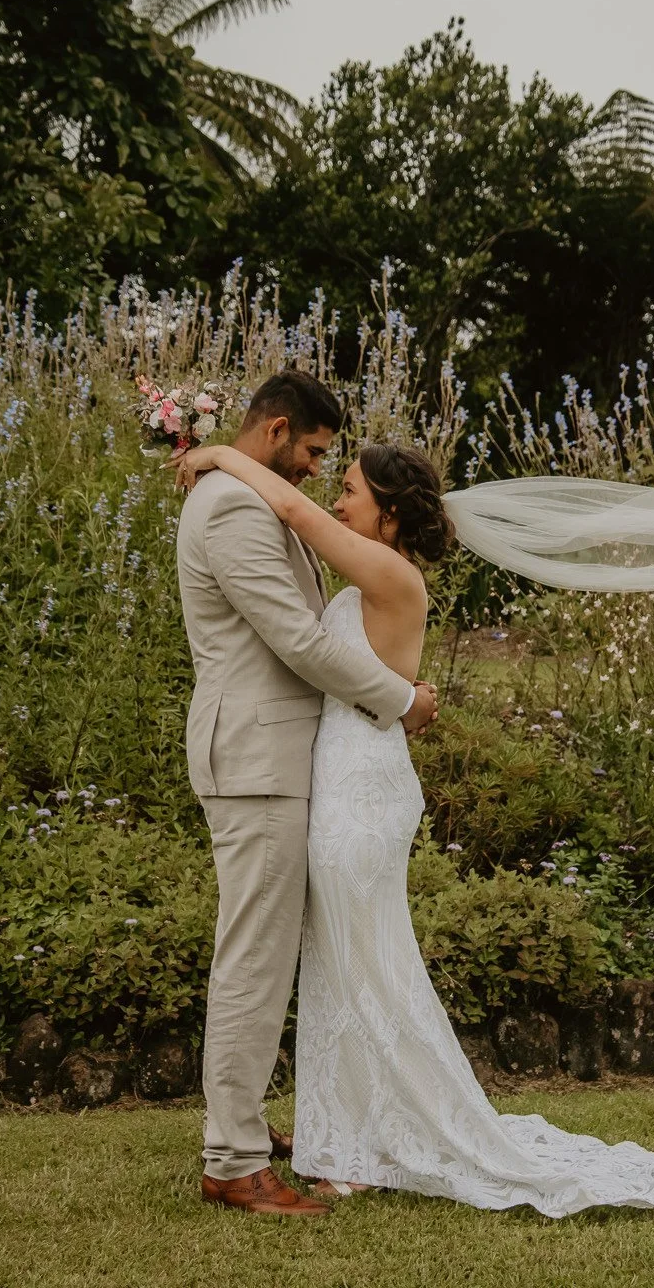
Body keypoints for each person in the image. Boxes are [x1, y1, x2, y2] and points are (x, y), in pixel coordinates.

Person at [174, 428, 654, 1219]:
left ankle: (375, 1137)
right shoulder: (369, 577)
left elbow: (290, 506)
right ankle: (346, 1136)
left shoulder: (389, 573)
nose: (337, 496)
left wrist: (219, 454)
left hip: (360, 796)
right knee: (344, 968)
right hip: (341, 786)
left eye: (352, 487)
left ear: (389, 513)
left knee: (368, 970)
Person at [176, 371, 440, 1218]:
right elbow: (295, 638)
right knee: (252, 955)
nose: (320, 473)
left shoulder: (255, 500)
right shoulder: (228, 509)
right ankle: (233, 1158)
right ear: (279, 430)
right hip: (254, 759)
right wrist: (401, 700)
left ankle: (242, 1127)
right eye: (316, 454)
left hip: (289, 761)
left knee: (269, 954)